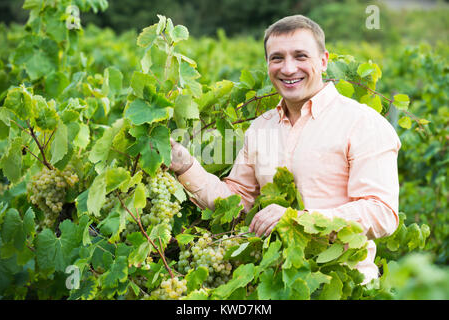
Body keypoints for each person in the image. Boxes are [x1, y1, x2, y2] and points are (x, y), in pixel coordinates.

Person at [169, 15, 401, 284]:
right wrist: (186, 166)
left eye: (301, 56)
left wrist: (298, 219)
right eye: (277, 58)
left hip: (343, 284)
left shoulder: (363, 123)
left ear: (323, 61)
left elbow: (381, 212)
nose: (288, 68)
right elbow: (237, 201)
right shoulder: (260, 128)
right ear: (268, 64)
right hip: (274, 279)